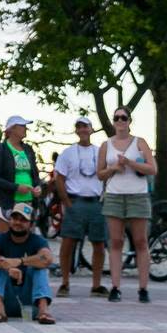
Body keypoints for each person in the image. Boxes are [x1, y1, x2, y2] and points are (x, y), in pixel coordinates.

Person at [97, 105, 157, 303]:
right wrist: (115, 167)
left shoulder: (140, 142)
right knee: (115, 241)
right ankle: (115, 287)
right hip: (114, 195)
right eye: (117, 118)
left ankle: (143, 288)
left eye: (124, 118)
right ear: (113, 122)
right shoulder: (106, 145)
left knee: (140, 241)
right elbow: (100, 174)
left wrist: (130, 163)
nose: (120, 121)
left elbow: (152, 169)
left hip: (138, 195)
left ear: (130, 121)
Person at [54, 116, 109, 298]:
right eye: (79, 127)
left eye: (86, 126)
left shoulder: (101, 151)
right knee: (68, 243)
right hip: (75, 201)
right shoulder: (68, 153)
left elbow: (108, 174)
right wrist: (67, 203)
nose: (83, 130)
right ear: (76, 131)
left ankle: (96, 284)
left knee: (99, 244)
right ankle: (64, 282)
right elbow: (59, 178)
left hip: (96, 202)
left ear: (92, 129)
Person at [0, 201, 55, 324]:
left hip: (30, 302)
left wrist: (21, 261)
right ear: (9, 220)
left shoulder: (38, 241)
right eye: (15, 218)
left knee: (39, 268)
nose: (18, 223)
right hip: (6, 298)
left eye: (23, 220)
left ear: (31, 225)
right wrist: (7, 266)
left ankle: (43, 311)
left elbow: (47, 259)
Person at [0, 115, 42, 233]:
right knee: (4, 238)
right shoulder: (1, 149)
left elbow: (35, 174)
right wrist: (16, 187)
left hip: (27, 202)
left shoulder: (28, 149)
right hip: (8, 203)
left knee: (26, 237)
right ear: (12, 129)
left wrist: (38, 186)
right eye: (22, 126)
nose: (25, 128)